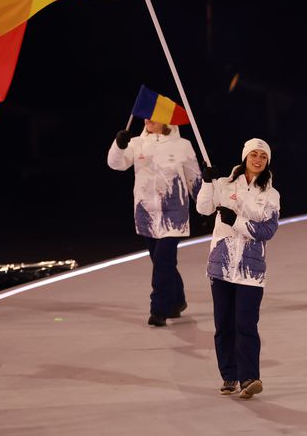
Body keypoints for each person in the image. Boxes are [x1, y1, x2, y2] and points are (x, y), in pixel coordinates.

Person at [196, 138, 280, 399]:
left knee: (246, 323)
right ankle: (229, 375)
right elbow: (203, 208)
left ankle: (249, 378)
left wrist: (238, 222)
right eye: (253, 155)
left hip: (251, 270)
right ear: (245, 157)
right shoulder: (223, 184)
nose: (257, 160)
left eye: (262, 157)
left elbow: (268, 231)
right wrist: (207, 182)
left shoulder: (271, 194)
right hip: (221, 265)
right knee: (224, 324)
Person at [108, 114, 201, 326]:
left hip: (174, 214)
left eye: (153, 117)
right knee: (162, 262)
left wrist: (208, 207)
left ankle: (159, 309)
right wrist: (119, 145)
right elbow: (116, 164)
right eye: (146, 117)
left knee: (163, 261)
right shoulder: (137, 143)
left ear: (166, 121)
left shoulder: (182, 145)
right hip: (146, 214)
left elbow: (193, 178)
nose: (147, 120)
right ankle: (178, 300)